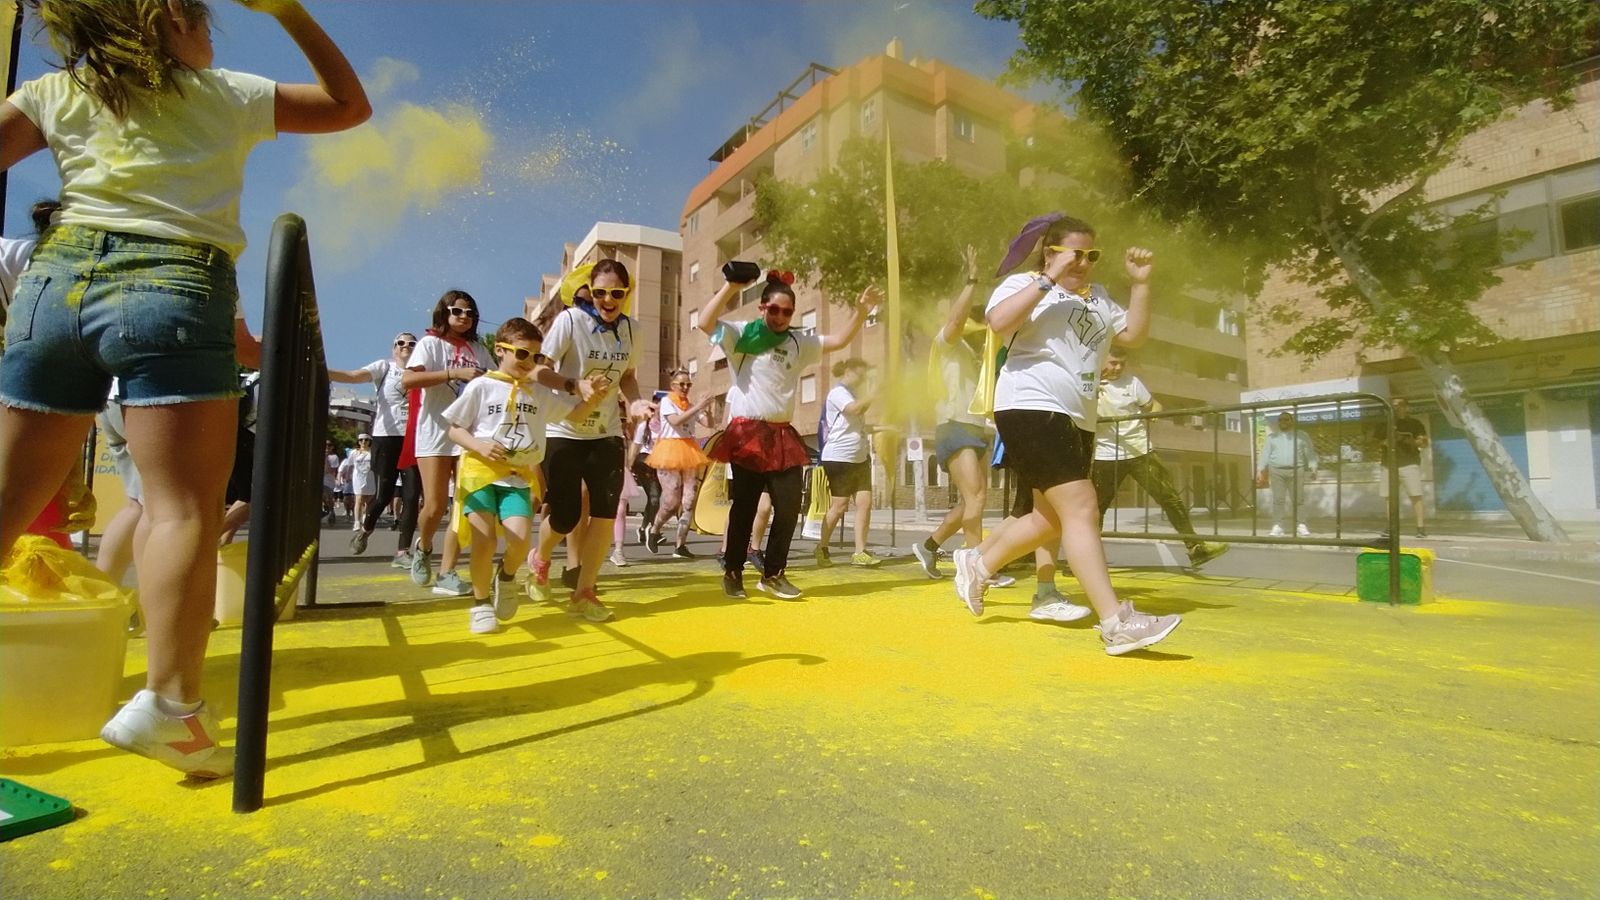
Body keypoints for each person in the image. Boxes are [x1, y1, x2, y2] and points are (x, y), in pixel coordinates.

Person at [0, 0, 369, 778]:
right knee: (180, 508)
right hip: (174, 286)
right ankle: (169, 708)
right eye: (203, 14)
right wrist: (288, 10)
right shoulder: (225, 92)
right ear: (169, 18)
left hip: (53, 283)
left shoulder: (54, 92)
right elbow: (348, 105)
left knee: (3, 504)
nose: (211, 29)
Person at [950, 213, 1183, 656]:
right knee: (1082, 507)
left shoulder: (1100, 297)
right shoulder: (1025, 285)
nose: (1083, 262)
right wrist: (1047, 280)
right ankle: (1115, 622)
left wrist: (1140, 285)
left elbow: (1132, 335)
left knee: (1051, 518)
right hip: (1031, 403)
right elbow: (997, 323)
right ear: (1050, 252)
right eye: (1075, 253)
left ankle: (979, 564)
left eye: (1091, 255)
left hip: (1079, 415)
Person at [694, 268, 880, 601]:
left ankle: (773, 574)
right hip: (748, 434)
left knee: (790, 504)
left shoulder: (798, 342)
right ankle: (733, 572)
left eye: (787, 311)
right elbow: (706, 323)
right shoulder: (742, 335)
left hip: (782, 435)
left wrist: (861, 312)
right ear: (762, 308)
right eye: (775, 309)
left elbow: (838, 340)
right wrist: (731, 286)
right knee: (745, 507)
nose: (781, 316)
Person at [443, 318, 605, 634]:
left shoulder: (539, 393)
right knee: (484, 541)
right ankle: (479, 603)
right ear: (500, 350)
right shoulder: (482, 385)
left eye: (536, 357)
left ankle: (505, 577)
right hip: (479, 475)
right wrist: (479, 445)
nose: (529, 363)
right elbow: (454, 428)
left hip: (517, 477)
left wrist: (593, 400)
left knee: (518, 541)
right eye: (522, 354)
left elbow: (572, 417)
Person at [527, 260, 649, 623]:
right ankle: (541, 557)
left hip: (606, 432)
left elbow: (627, 376)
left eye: (616, 293)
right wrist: (572, 385)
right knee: (564, 517)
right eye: (600, 292)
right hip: (563, 429)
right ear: (591, 292)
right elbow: (537, 368)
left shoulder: (633, 330)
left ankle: (585, 591)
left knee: (603, 514)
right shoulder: (570, 321)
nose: (607, 300)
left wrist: (636, 400)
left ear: (627, 294)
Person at [1092, 348, 1229, 567]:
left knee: (1169, 497)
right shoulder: (1087, 382)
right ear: (1101, 360)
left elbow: (1153, 404)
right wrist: (1088, 391)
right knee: (1095, 508)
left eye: (1122, 364)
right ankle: (1086, 561)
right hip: (1104, 455)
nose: (1118, 368)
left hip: (1139, 451)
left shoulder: (1132, 382)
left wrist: (1155, 411)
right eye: (1113, 362)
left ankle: (1196, 548)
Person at [403, 290, 491, 595]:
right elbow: (408, 381)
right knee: (436, 504)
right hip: (435, 433)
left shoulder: (480, 349)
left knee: (462, 504)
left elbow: (496, 380)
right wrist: (454, 372)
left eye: (469, 313)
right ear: (444, 313)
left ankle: (447, 571)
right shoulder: (429, 344)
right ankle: (423, 546)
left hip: (467, 435)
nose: (463, 317)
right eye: (457, 311)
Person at [912, 246, 991, 580]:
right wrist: (971, 279)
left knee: (971, 501)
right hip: (954, 425)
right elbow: (956, 320)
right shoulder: (946, 343)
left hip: (975, 427)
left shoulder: (978, 352)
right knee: (976, 499)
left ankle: (929, 546)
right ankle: (977, 567)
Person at [330, 333, 422, 566]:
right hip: (385, 438)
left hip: (413, 439)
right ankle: (366, 529)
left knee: (411, 496)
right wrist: (323, 371)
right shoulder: (384, 367)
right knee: (383, 495)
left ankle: (403, 551)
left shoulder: (424, 372)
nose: (406, 347)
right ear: (394, 349)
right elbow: (353, 376)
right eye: (401, 343)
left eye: (412, 344)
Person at [815, 359, 883, 567]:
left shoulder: (854, 394)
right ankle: (822, 547)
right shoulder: (838, 393)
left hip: (860, 457)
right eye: (861, 376)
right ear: (849, 371)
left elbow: (859, 415)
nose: (862, 380)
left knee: (865, 503)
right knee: (840, 505)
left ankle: (860, 552)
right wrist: (874, 392)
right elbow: (854, 410)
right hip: (839, 457)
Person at [645, 368, 713, 559]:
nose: (685, 387)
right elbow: (676, 421)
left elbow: (709, 423)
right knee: (672, 501)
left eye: (688, 384)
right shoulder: (667, 402)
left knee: (689, 500)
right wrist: (697, 406)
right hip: (669, 451)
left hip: (690, 450)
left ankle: (680, 545)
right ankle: (655, 529)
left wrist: (706, 408)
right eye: (682, 384)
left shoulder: (691, 404)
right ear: (673, 386)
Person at [1259, 411, 1317, 537]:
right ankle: (1278, 526)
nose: (1283, 422)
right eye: (1280, 420)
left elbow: (1309, 452)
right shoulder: (1272, 438)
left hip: (1297, 470)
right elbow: (1265, 454)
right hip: (1276, 471)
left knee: (1298, 499)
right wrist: (1261, 469)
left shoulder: (1301, 436)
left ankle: (1301, 525)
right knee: (1278, 500)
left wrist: (1313, 467)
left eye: (1286, 419)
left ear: (1292, 421)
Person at [1380, 397, 1430, 538]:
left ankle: (1420, 528)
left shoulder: (1415, 423)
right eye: (1393, 405)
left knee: (1415, 496)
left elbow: (1423, 442)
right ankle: (1391, 527)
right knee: (1389, 497)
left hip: (1408, 463)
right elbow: (1372, 442)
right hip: (1388, 465)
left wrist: (1407, 440)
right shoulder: (1385, 424)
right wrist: (1384, 442)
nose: (1397, 407)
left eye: (1400, 404)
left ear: (1407, 407)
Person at [347, 434, 376, 530]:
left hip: (370, 477)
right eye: (361, 440)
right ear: (358, 442)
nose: (363, 442)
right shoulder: (354, 453)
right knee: (358, 499)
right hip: (358, 478)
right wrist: (347, 476)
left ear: (369, 441)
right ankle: (356, 522)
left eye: (366, 440)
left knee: (369, 499)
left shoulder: (372, 452)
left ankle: (364, 514)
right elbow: (350, 465)